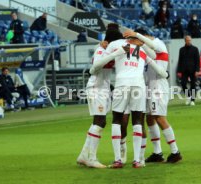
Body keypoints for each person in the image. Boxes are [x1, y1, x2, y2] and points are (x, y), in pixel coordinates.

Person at [123, 29, 182, 164]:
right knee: (150, 118)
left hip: (158, 85)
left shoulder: (157, 42)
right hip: (148, 85)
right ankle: (157, 152)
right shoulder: (144, 48)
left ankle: (175, 151)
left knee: (159, 117)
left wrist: (137, 37)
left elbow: (154, 50)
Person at [90, 34, 147, 169]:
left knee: (117, 119)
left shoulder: (117, 45)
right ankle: (137, 160)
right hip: (139, 84)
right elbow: (155, 56)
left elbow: (98, 63)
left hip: (122, 83)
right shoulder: (143, 50)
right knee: (138, 120)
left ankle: (118, 160)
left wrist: (100, 46)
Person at [76, 29, 123, 169]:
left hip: (104, 88)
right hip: (96, 88)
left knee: (98, 122)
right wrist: (112, 52)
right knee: (100, 121)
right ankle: (92, 158)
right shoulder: (100, 51)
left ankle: (84, 155)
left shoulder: (107, 49)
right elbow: (95, 66)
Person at [177, 36, 200, 106]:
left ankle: (193, 100)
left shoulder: (195, 49)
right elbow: (180, 60)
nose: (189, 41)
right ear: (185, 41)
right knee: (183, 84)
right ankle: (188, 96)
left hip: (193, 70)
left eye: (190, 40)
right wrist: (179, 71)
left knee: (193, 85)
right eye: (188, 40)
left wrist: (197, 70)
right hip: (184, 70)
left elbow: (197, 60)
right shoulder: (181, 49)